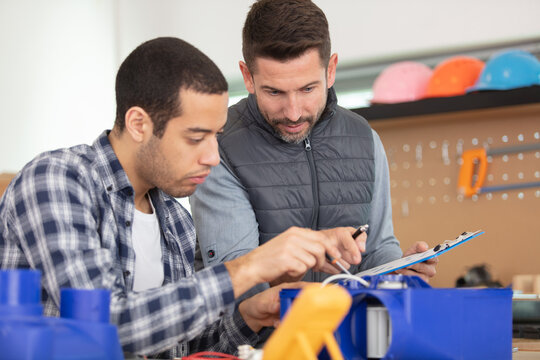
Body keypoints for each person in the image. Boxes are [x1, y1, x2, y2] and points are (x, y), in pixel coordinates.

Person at [0, 37, 362, 358]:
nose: (213, 157)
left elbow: (181, 347)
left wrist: (251, 314)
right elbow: (104, 327)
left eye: (216, 135)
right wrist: (249, 267)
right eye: (195, 137)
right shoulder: (58, 181)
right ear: (139, 124)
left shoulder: (174, 218)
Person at [190, 0, 438, 285]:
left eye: (308, 89)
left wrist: (396, 271)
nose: (293, 112)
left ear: (330, 70)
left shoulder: (365, 139)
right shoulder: (218, 148)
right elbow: (237, 278)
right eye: (274, 92)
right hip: (270, 330)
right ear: (248, 77)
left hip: (348, 326)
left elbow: (377, 247)